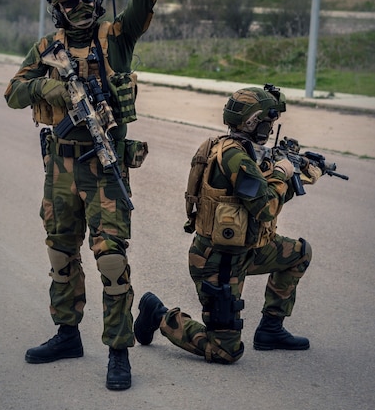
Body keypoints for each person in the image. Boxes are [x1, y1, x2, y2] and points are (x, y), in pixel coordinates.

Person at [4, 0, 171, 390]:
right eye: (70, 3)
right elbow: (13, 93)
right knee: (60, 252)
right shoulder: (45, 49)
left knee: (111, 260)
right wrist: (48, 91)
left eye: (87, 0)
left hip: (103, 168)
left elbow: (145, 1)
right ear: (57, 8)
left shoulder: (116, 39)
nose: (80, 9)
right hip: (59, 168)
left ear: (98, 1)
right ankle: (66, 333)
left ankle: (119, 351)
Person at [134, 84, 323, 365]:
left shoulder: (246, 151)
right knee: (225, 351)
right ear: (252, 122)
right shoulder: (235, 158)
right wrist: (285, 175)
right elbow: (266, 207)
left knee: (298, 254)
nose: (270, 128)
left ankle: (271, 330)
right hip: (217, 263)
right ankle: (159, 314)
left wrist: (297, 169)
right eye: (268, 122)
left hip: (246, 251)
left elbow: (259, 190)